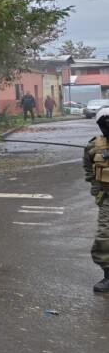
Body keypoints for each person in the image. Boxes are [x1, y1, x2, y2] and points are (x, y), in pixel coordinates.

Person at [82, 107, 109, 293]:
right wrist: (94, 184)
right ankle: (108, 275)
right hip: (107, 198)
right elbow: (87, 166)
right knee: (104, 236)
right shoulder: (94, 146)